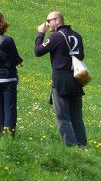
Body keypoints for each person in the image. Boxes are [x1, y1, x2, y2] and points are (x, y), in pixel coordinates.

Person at [34, 11, 86, 147]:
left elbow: (38, 51)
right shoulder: (77, 36)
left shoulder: (56, 36)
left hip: (61, 80)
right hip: (76, 79)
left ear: (57, 21)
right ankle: (82, 145)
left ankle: (70, 146)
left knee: (62, 116)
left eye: (48, 20)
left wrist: (40, 34)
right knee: (77, 118)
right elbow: (81, 56)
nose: (47, 23)